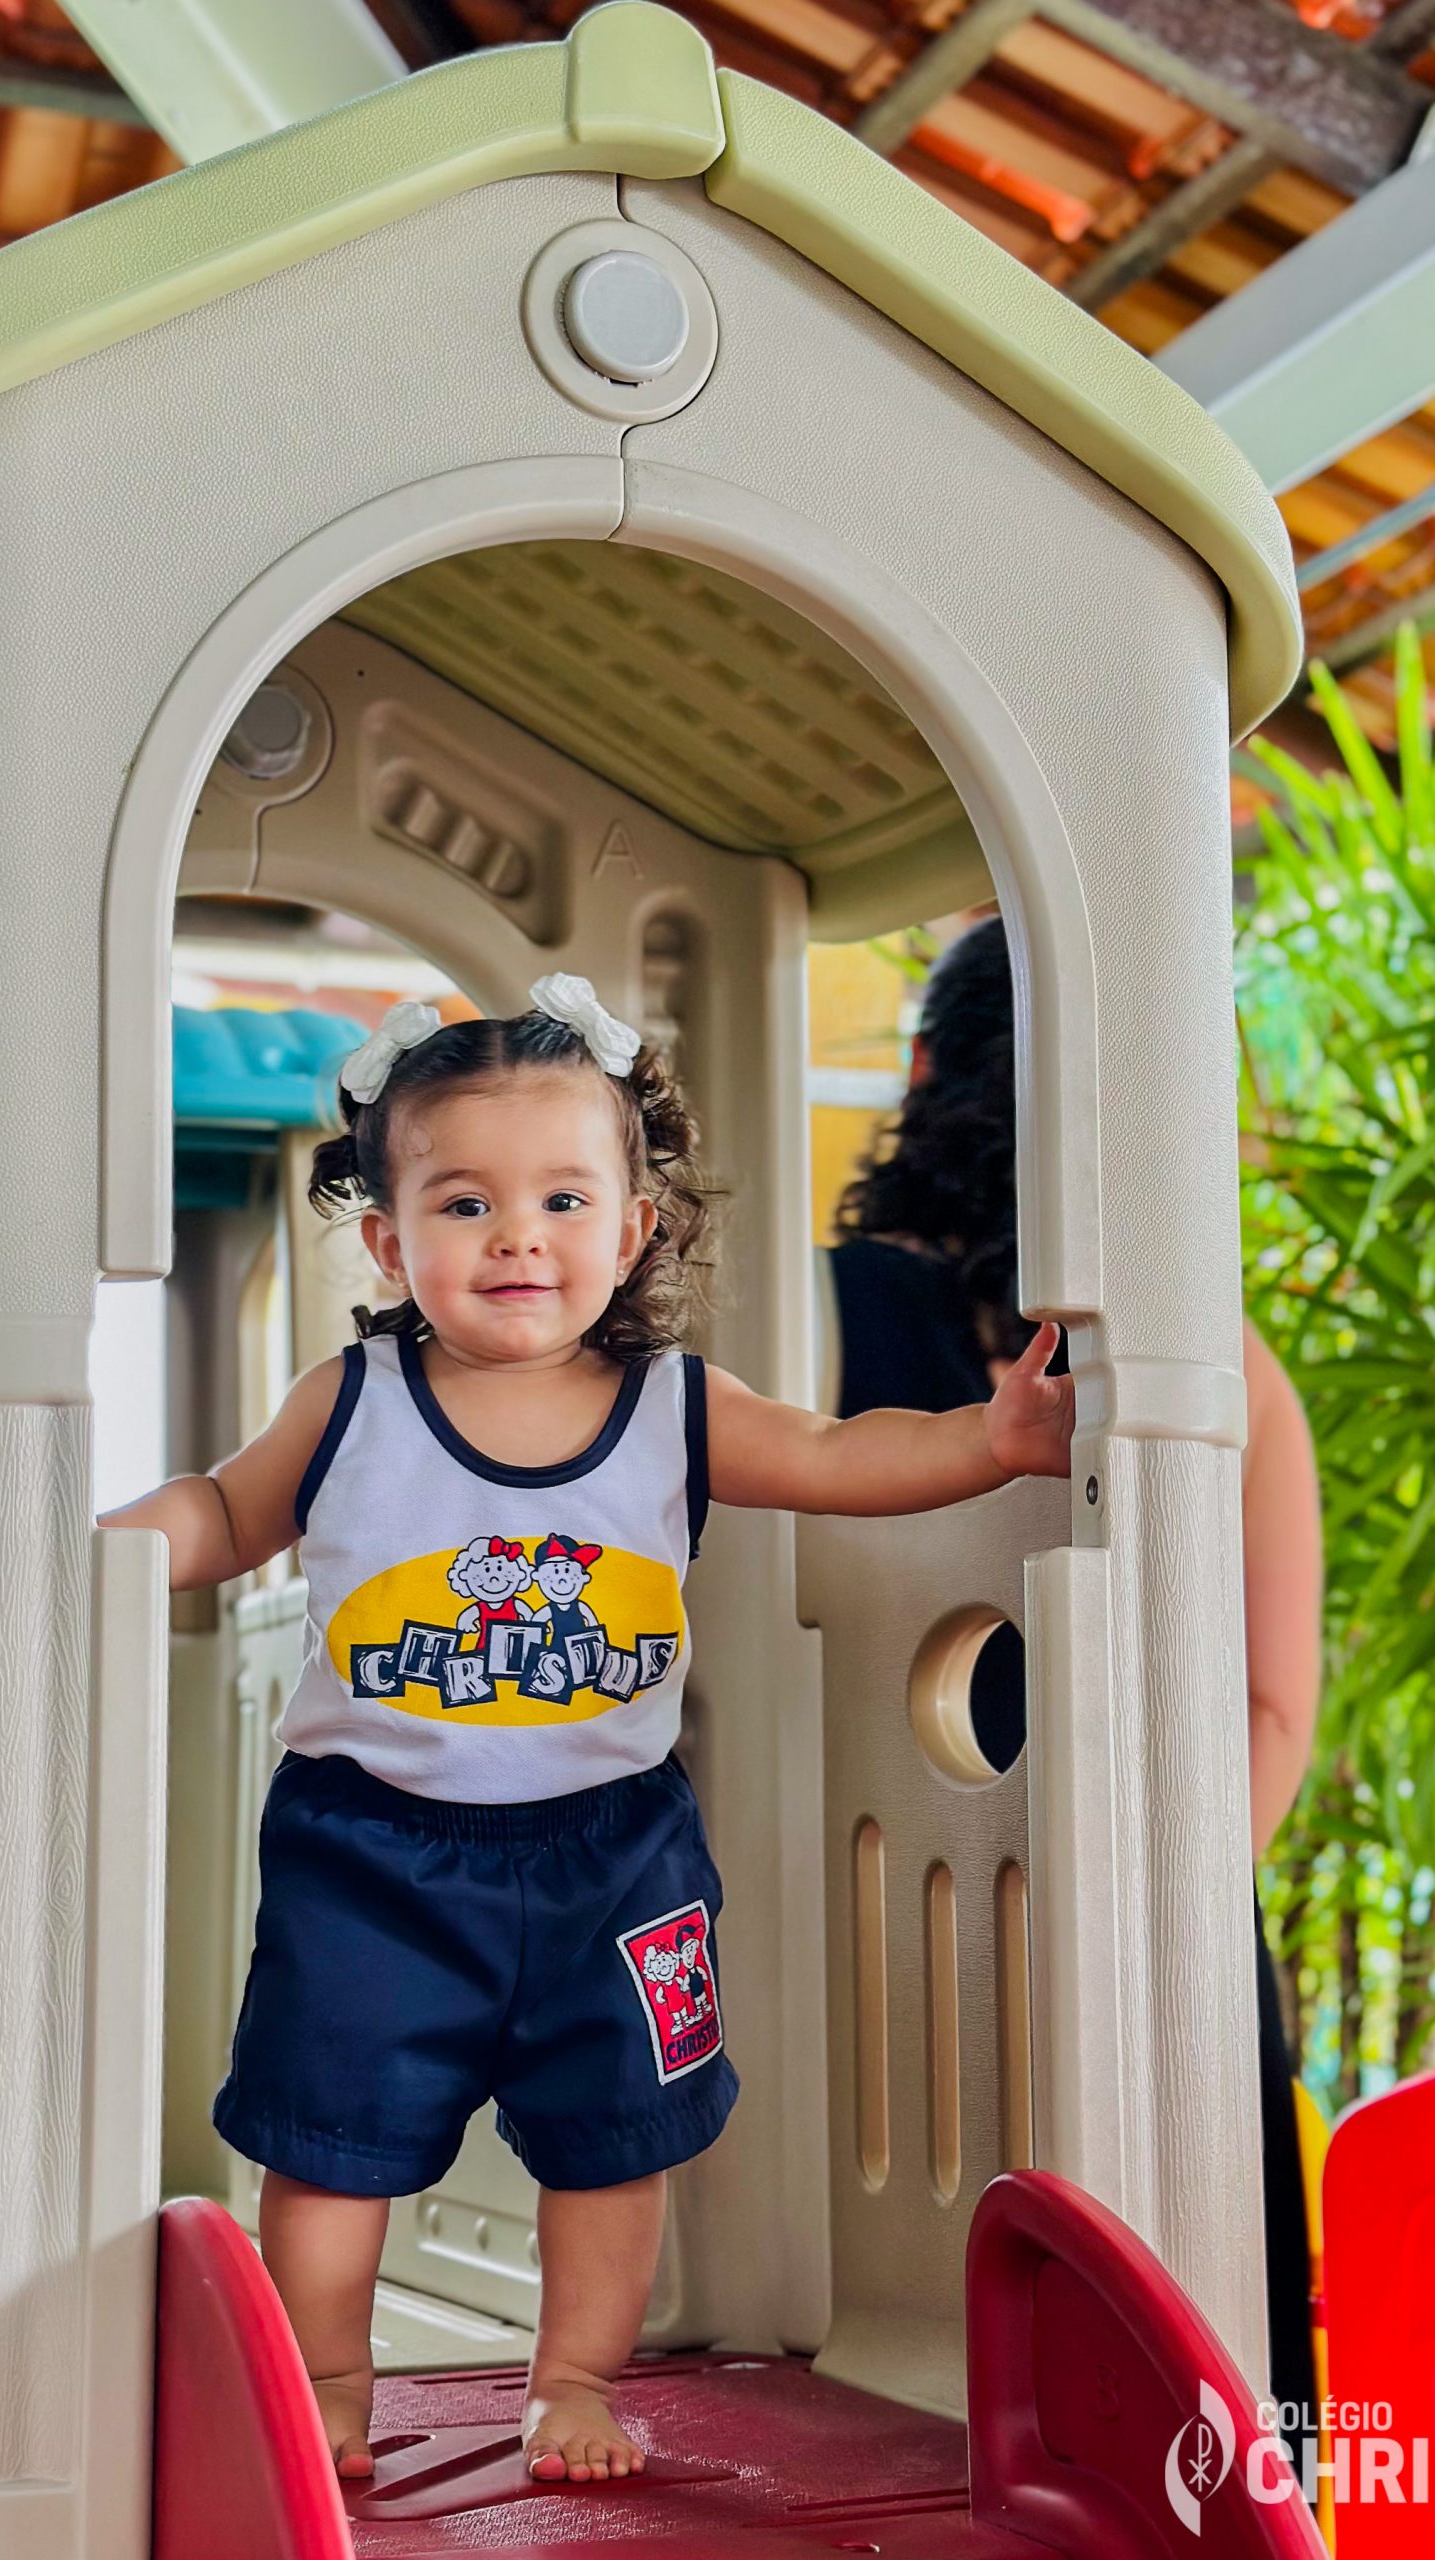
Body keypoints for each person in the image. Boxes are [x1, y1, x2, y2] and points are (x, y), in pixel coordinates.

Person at [105, 971, 1075, 2486]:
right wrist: (113, 1547)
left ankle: (573, 2381)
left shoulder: (673, 1405)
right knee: (330, 2135)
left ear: (629, 1231)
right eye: (465, 1203)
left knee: (617, 2134)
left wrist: (989, 1441)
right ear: (389, 1240)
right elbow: (229, 1513)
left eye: (563, 1198)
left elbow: (836, 1455)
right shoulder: (351, 1400)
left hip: (614, 1856)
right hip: (373, 1852)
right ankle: (330, 2381)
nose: (519, 1237)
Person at [824, 918, 1322, 2435]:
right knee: (1198, 2418)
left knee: (899, 2425)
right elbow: (1273, 1710)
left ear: (928, 1073)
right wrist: (1145, 1938)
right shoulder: (1215, 1362)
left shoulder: (816, 1316)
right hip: (1168, 1960)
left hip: (882, 1948)